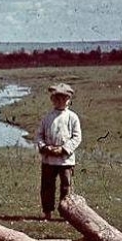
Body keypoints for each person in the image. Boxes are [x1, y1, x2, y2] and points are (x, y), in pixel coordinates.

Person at [35, 83, 82, 220]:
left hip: (65, 160)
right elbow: (39, 135)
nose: (60, 101)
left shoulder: (72, 117)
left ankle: (66, 214)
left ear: (69, 100)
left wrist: (64, 149)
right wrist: (45, 147)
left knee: (66, 187)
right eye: (57, 98)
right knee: (47, 186)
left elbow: (77, 137)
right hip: (49, 159)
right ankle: (47, 212)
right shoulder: (47, 117)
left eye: (64, 98)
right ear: (52, 100)